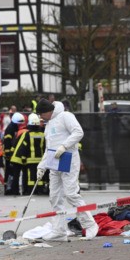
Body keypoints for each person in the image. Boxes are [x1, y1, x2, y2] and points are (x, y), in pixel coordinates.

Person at [36, 99, 98, 241]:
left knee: (71, 194)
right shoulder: (48, 124)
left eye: (41, 114)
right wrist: (41, 166)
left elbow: (78, 132)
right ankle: (59, 230)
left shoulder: (65, 116)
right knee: (55, 196)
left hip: (68, 158)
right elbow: (48, 148)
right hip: (54, 161)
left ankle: (90, 225)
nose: (40, 117)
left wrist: (64, 146)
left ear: (48, 111)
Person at [10, 113, 46, 195]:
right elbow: (44, 147)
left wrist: (22, 157)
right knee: (39, 175)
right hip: (40, 159)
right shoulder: (43, 134)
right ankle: (40, 190)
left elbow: (23, 146)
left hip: (30, 160)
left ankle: (30, 191)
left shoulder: (27, 134)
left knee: (31, 176)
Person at [3, 112, 26, 195]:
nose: (20, 125)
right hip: (10, 155)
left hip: (13, 154)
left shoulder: (14, 128)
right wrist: (8, 155)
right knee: (9, 172)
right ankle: (8, 189)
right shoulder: (10, 130)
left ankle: (11, 188)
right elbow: (7, 143)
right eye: (19, 124)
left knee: (12, 172)